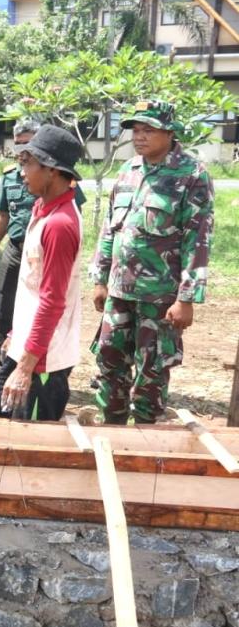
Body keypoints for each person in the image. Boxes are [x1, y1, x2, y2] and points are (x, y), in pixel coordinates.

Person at [89, 100, 214, 425]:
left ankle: (145, 439)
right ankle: (111, 428)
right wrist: (101, 277)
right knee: (109, 359)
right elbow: (110, 226)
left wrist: (186, 298)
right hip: (119, 292)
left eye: (148, 130)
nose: (139, 137)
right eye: (136, 130)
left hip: (160, 298)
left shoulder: (191, 175)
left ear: (169, 132)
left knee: (152, 370)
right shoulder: (128, 171)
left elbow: (198, 240)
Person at [0, 126, 85, 421]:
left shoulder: (60, 225)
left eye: (28, 162)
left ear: (52, 169)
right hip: (28, 346)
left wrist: (27, 366)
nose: (22, 171)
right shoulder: (42, 208)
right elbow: (33, 286)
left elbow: (53, 300)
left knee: (27, 447)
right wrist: (17, 335)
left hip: (44, 361)